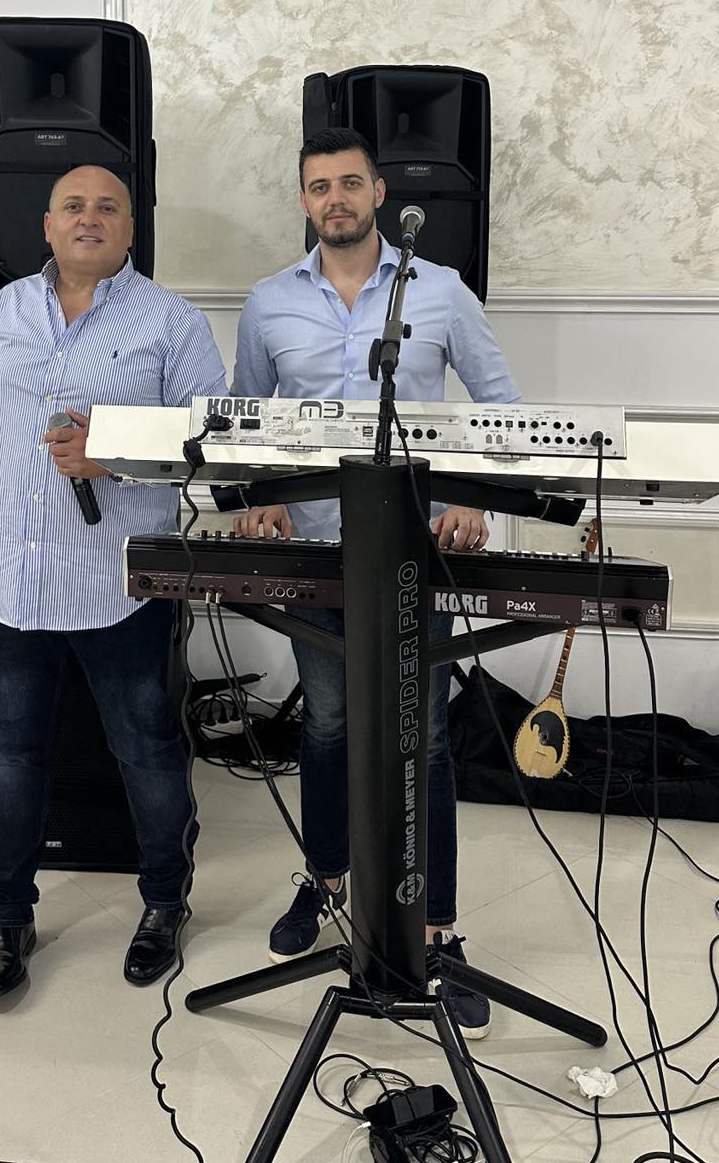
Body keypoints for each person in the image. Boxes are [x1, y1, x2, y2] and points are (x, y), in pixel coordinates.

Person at [231, 127, 519, 1038]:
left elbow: (501, 406)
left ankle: (437, 928)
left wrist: (470, 498)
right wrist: (260, 498)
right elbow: (249, 416)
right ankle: (325, 882)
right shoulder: (269, 301)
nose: (336, 199)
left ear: (379, 192)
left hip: (413, 557)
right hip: (318, 556)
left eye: (350, 183)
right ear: (304, 200)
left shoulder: (441, 290)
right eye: (320, 186)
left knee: (423, 737)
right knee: (326, 724)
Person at [0, 164, 228, 1005]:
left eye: (108, 207)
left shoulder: (171, 322)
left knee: (147, 752)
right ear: (48, 224)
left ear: (131, 229)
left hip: (123, 589)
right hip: (16, 587)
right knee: (14, 758)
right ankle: (6, 916)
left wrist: (113, 453)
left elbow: (211, 443)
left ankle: (165, 902)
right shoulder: (3, 312)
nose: (90, 218)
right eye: (74, 206)